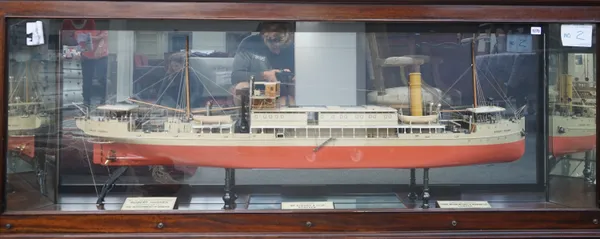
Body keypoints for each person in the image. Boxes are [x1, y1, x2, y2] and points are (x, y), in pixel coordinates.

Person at [231, 21, 295, 106]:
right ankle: (243, 117)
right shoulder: (250, 44)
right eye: (275, 46)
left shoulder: (293, 46)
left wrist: (294, 77)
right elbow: (236, 76)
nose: (278, 52)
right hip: (256, 93)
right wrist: (264, 75)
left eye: (282, 48)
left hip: (283, 94)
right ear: (265, 36)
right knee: (241, 87)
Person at [61, 19, 109, 107]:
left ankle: (104, 101)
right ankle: (86, 103)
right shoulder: (72, 23)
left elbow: (106, 34)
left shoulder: (97, 20)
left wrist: (100, 45)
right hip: (86, 55)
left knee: (101, 78)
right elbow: (71, 41)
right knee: (86, 81)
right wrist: (78, 53)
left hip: (101, 54)